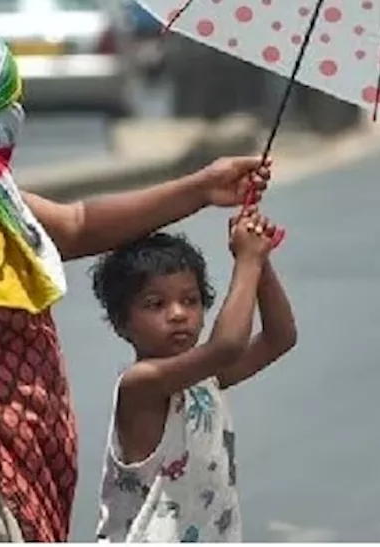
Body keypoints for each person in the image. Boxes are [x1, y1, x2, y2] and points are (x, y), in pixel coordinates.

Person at [0, 30, 271, 542]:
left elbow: (80, 224)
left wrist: (201, 188)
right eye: (7, 101)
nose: (16, 114)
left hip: (12, 457)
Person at [92, 211, 296, 542]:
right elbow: (227, 346)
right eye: (155, 304)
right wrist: (247, 260)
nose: (178, 314)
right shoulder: (140, 385)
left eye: (190, 301)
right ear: (121, 323)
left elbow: (280, 336)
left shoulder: (204, 379)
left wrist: (260, 260)